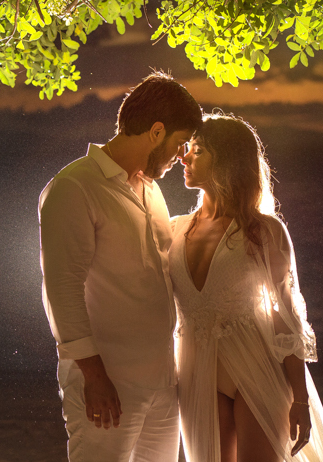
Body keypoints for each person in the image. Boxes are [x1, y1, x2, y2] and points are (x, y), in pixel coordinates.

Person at [38, 71, 203, 462]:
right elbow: (61, 288)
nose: (182, 155)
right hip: (108, 381)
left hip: (163, 384)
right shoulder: (75, 187)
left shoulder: (153, 191)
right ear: (156, 131)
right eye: (179, 142)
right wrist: (94, 376)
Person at [171, 113, 323, 462]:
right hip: (196, 372)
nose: (184, 158)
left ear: (227, 161)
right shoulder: (172, 230)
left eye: (198, 151)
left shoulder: (264, 231)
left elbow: (287, 318)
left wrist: (300, 398)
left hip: (257, 367)